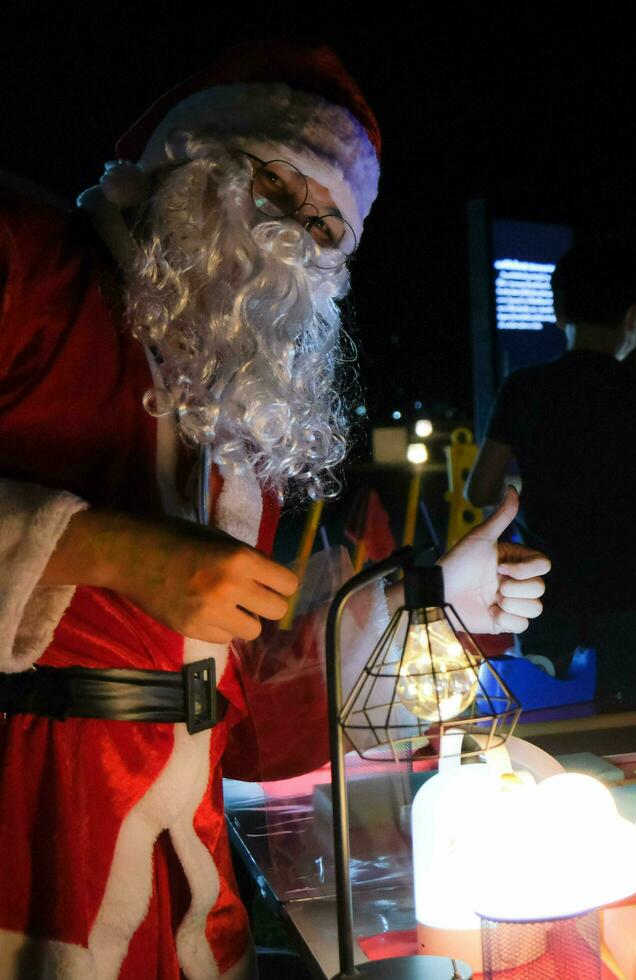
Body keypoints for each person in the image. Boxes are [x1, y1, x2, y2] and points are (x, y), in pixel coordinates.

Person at [0, 44, 549, 977]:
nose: (292, 234)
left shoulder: (234, 436)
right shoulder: (26, 265)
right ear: (189, 159)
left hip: (185, 898)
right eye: (275, 184)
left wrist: (426, 598)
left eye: (327, 226)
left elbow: (243, 727)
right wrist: (104, 550)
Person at [467, 242, 636, 701]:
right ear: (632, 314)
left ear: (557, 308)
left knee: (547, 717)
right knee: (629, 727)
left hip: (540, 591)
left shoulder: (524, 388)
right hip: (629, 590)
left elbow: (480, 489)